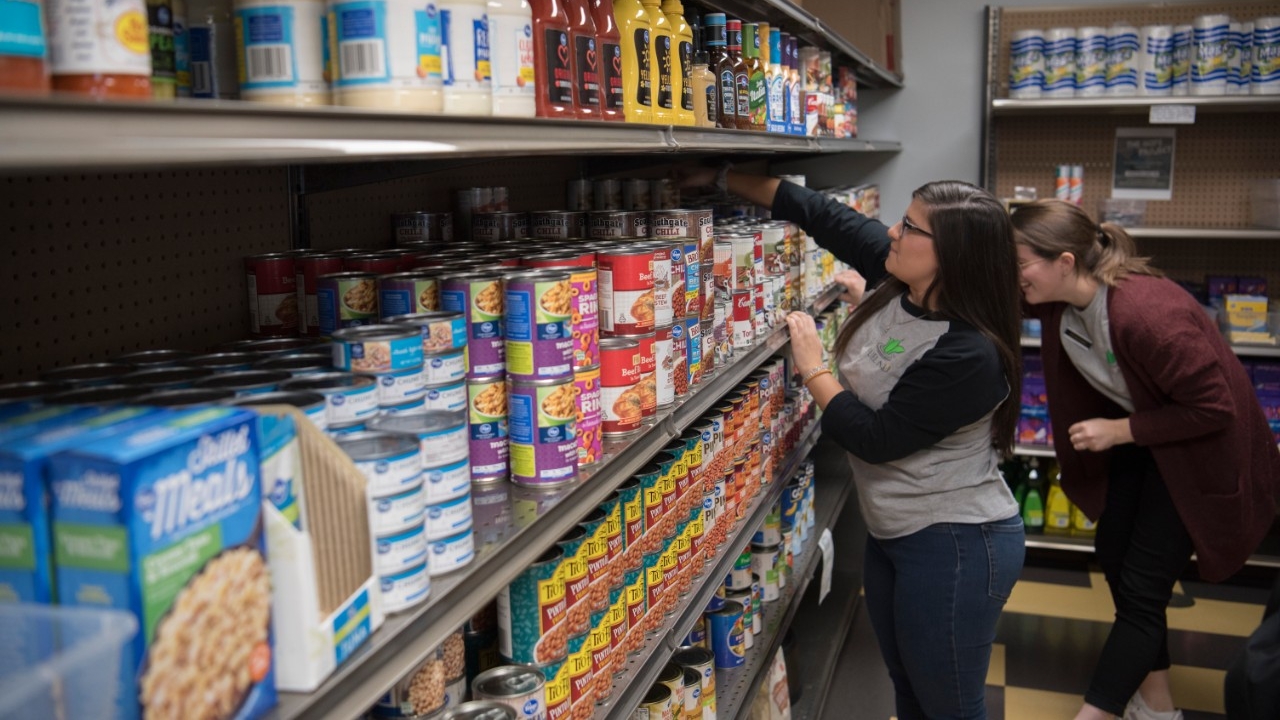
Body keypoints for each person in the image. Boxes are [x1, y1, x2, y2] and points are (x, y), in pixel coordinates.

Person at [683, 167, 1026, 719]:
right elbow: (825, 215)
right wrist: (723, 175)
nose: (892, 231)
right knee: (910, 689)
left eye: (910, 227)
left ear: (952, 255)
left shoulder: (969, 354)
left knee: (951, 707)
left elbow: (875, 439)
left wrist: (814, 365)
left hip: (956, 543)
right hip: (896, 531)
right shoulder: (901, 280)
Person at [1011, 199, 1280, 720]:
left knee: (1142, 587)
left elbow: (1214, 408)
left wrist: (1119, 429)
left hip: (1201, 455)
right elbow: (977, 292)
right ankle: (1156, 704)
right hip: (1150, 446)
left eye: (1018, 264)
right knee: (1115, 555)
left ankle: (1099, 713)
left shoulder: (1147, 314)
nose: (1011, 277)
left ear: (1065, 262)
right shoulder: (1055, 299)